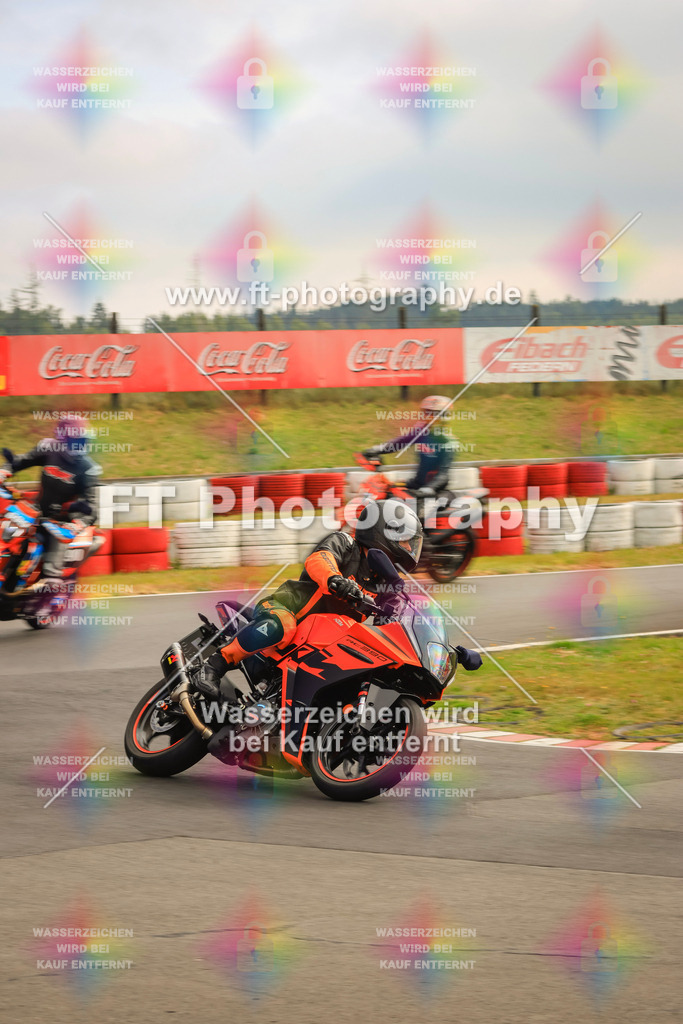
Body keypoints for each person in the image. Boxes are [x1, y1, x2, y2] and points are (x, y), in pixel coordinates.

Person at [196, 498, 423, 700]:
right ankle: (214, 666)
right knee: (282, 626)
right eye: (405, 541)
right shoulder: (345, 543)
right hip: (287, 609)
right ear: (384, 531)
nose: (410, 548)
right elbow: (319, 559)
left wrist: (441, 650)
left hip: (328, 642)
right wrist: (335, 579)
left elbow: (394, 625)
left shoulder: (387, 585)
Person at [1, 415, 100, 585]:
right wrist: (4, 471)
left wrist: (77, 524)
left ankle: (52, 584)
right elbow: (19, 461)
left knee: (51, 571)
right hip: (35, 511)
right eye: (77, 440)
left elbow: (91, 506)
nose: (81, 445)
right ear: (63, 438)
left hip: (61, 522)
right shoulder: (48, 448)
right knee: (6, 520)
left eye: (83, 440)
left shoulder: (88, 468)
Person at [363, 394, 456, 497]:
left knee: (432, 504)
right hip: (416, 484)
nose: (427, 417)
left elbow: (443, 475)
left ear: (443, 416)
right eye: (425, 413)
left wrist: (429, 489)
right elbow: (399, 442)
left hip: (436, 490)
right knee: (388, 492)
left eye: (431, 413)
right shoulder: (421, 432)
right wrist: (377, 449)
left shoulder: (448, 442)